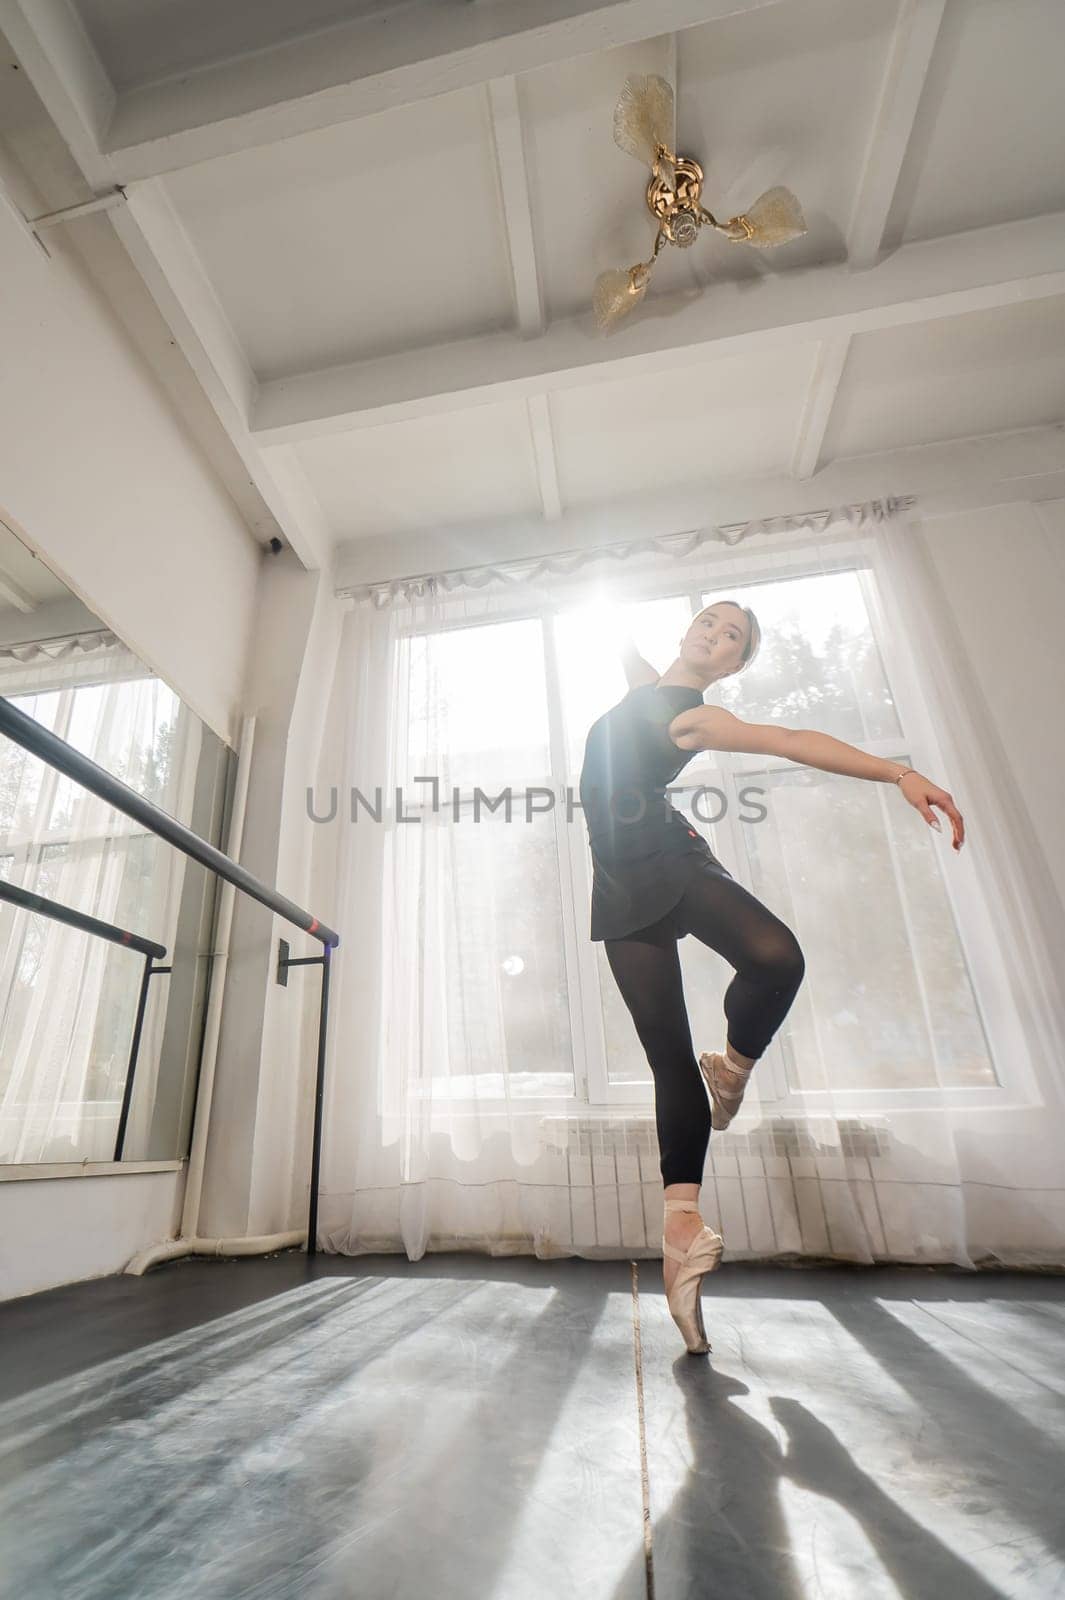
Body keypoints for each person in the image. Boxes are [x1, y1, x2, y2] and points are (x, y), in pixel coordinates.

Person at [578, 599, 965, 1354]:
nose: (714, 636)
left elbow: (790, 740)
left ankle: (736, 1065)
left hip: (670, 858)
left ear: (731, 666)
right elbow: (618, 643)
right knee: (665, 1060)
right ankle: (681, 1231)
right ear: (686, 632)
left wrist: (897, 772)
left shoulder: (691, 717)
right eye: (710, 623)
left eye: (732, 640)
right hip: (617, 888)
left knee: (774, 956)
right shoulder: (640, 688)